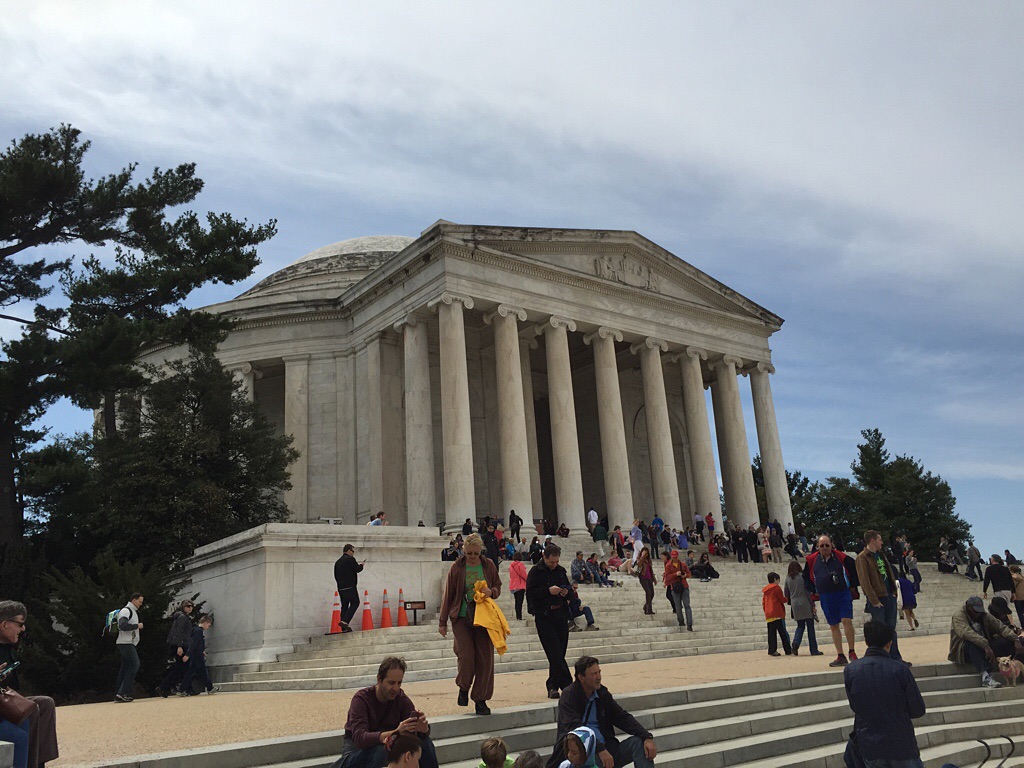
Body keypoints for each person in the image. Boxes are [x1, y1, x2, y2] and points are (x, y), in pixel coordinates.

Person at [547, 656, 656, 768]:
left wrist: (646, 736)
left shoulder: (602, 693)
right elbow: (575, 728)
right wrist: (599, 749)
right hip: (584, 754)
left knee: (639, 743)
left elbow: (622, 717)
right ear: (581, 677)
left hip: (608, 749)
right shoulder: (569, 696)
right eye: (593, 674)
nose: (598, 677)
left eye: (599, 672)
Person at [843, 621, 926, 768]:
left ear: (866, 641)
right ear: (889, 643)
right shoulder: (900, 669)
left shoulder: (851, 670)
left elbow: (855, 706)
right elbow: (917, 709)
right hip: (902, 744)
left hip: (870, 746)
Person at [333, 657, 437, 768]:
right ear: (379, 679)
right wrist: (395, 733)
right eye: (391, 683)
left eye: (399, 683)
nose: (395, 688)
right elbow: (360, 738)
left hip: (386, 747)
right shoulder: (361, 699)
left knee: (424, 742)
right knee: (381, 751)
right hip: (357, 753)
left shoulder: (401, 699)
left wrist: (423, 729)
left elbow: (412, 731)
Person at [439, 533, 501, 715]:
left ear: (481, 551)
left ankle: (480, 699)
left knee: (485, 659)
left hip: (484, 617)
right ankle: (463, 686)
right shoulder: (457, 567)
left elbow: (497, 586)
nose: (472, 557)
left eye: (476, 553)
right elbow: (449, 594)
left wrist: (492, 592)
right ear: (464, 551)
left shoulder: (488, 565)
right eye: (469, 553)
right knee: (466, 655)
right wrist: (442, 621)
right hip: (462, 617)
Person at [0, 601, 58, 768]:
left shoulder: (8, 648)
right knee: (29, 713)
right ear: (4, 624)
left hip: (5, 702)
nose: (23, 629)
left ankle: (38, 764)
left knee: (45, 703)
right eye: (20, 624)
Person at [803, 535, 859, 667]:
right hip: (826, 596)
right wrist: (813, 590)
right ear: (817, 547)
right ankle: (840, 655)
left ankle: (852, 651)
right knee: (833, 625)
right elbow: (805, 577)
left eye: (827, 545)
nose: (824, 548)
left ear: (832, 545)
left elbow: (854, 569)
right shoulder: (812, 560)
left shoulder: (841, 557)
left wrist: (852, 585)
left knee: (847, 620)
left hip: (843, 593)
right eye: (821, 546)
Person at [526, 543, 573, 699]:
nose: (554, 564)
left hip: (560, 614)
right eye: (551, 562)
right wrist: (548, 591)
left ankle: (552, 685)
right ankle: (569, 686)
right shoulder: (535, 572)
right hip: (544, 616)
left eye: (556, 561)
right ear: (544, 557)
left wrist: (566, 592)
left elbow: (570, 592)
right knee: (554, 652)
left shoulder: (560, 571)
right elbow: (530, 593)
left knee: (560, 652)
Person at [949, 596, 1024, 688]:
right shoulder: (959, 616)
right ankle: (985, 677)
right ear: (968, 607)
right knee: (971, 644)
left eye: (979, 611)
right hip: (966, 650)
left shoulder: (984, 615)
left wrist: (1015, 639)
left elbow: (1001, 627)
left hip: (986, 647)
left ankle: (1019, 667)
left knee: (1010, 641)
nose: (978, 614)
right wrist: (985, 645)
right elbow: (966, 633)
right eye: (975, 611)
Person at [855, 530, 905, 663]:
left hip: (889, 595)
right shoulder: (862, 557)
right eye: (879, 539)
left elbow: (889, 573)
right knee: (880, 630)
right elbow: (864, 581)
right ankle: (882, 658)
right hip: (878, 598)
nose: (882, 542)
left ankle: (895, 657)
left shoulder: (881, 555)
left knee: (891, 629)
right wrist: (874, 600)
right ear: (872, 540)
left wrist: (894, 592)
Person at [157, 599, 194, 696]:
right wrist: (179, 646)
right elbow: (179, 632)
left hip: (181, 644)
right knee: (182, 667)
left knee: (182, 667)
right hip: (181, 645)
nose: (190, 608)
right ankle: (165, 687)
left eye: (191, 606)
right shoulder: (182, 618)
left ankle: (185, 688)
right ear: (183, 607)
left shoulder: (183, 617)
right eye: (188, 606)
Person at [784, 560, 820, 656]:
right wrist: (812, 604)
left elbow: (786, 593)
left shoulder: (787, 578)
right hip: (805, 601)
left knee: (800, 626)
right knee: (810, 627)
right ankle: (813, 650)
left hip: (794, 603)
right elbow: (807, 591)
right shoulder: (802, 577)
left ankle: (795, 643)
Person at [178, 614, 220, 695]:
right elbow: (194, 643)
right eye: (208, 625)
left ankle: (181, 689)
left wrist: (201, 651)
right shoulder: (199, 631)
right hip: (197, 655)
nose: (208, 627)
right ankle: (210, 688)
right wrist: (187, 655)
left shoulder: (195, 630)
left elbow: (196, 643)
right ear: (205, 622)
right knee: (203, 671)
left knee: (190, 672)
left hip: (195, 654)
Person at [115, 592, 145, 702]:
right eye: (140, 601)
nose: (141, 604)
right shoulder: (126, 611)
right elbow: (122, 625)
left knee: (125, 667)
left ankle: (119, 693)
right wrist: (137, 625)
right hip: (126, 642)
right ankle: (122, 693)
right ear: (134, 600)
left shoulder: (131, 611)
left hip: (126, 642)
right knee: (135, 664)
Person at [335, 544, 365, 633]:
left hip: (341, 588)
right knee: (355, 602)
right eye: (352, 551)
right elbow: (357, 569)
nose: (353, 553)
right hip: (350, 587)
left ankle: (344, 628)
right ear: (348, 550)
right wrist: (362, 565)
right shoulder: (350, 559)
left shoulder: (338, 562)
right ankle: (345, 621)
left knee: (344, 606)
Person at [762, 572, 792, 656]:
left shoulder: (765, 590)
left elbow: (763, 603)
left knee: (771, 634)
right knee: (783, 633)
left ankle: (772, 650)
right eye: (778, 580)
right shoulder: (776, 588)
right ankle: (788, 650)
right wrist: (788, 598)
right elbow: (782, 599)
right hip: (777, 613)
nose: (779, 581)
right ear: (775, 579)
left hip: (769, 614)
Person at [662, 550, 693, 631]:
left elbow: (689, 573)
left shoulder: (683, 564)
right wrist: (675, 574)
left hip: (684, 586)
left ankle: (689, 624)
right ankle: (681, 621)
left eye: (676, 557)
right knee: (678, 606)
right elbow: (667, 577)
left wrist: (685, 575)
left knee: (687, 605)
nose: (675, 558)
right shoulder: (668, 565)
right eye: (673, 557)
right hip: (674, 587)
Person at [510, 552, 528, 621]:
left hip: (513, 585)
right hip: (520, 585)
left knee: (516, 601)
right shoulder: (520, 564)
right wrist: (528, 580)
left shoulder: (511, 565)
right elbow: (523, 574)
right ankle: (519, 617)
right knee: (520, 602)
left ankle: (518, 616)